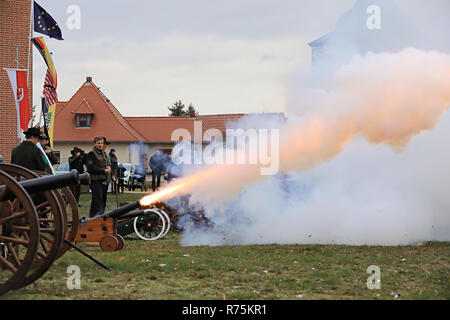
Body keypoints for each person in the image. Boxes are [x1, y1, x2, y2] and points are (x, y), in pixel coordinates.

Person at [86, 136, 111, 218]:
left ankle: (99, 217)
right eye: (98, 143)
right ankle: (95, 217)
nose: (100, 145)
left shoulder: (103, 153)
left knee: (102, 201)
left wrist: (108, 168)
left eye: (101, 143)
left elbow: (106, 163)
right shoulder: (91, 154)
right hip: (95, 181)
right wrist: (103, 170)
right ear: (94, 144)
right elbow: (90, 168)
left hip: (103, 180)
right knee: (97, 201)